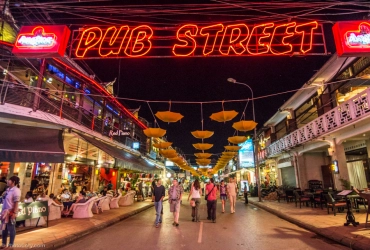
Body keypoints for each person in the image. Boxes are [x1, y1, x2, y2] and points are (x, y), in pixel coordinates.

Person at [1, 176, 21, 248]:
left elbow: (16, 202)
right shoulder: (8, 190)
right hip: (5, 212)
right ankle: (3, 244)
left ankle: (10, 245)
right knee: (4, 228)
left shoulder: (16, 190)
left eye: (9, 180)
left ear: (13, 182)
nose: (7, 181)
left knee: (11, 228)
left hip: (11, 212)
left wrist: (14, 213)